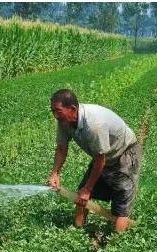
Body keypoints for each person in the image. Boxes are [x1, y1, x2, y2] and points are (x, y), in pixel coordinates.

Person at [46, 89, 141, 232]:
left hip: (124, 153)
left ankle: (118, 246)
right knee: (81, 197)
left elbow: (100, 160)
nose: (55, 115)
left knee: (121, 207)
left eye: (58, 111)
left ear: (72, 109)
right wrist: (54, 173)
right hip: (102, 155)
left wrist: (88, 189)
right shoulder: (64, 121)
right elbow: (61, 149)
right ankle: (77, 232)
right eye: (52, 111)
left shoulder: (94, 124)